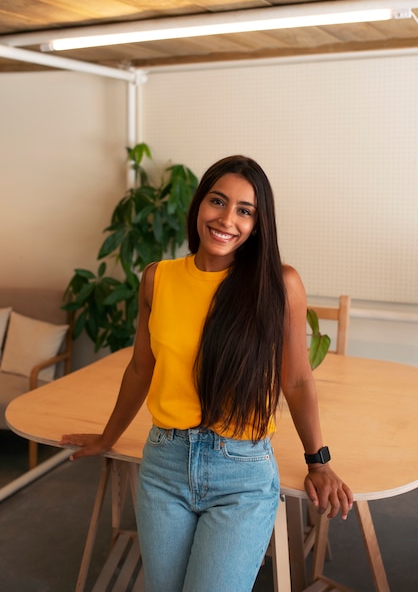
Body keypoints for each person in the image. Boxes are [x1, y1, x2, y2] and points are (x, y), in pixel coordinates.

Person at [61, 155, 353, 592]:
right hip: (164, 463)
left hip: (242, 472)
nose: (226, 219)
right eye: (218, 201)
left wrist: (318, 461)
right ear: (199, 205)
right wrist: (107, 437)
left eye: (244, 210)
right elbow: (142, 367)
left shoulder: (279, 284)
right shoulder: (157, 279)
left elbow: (295, 379)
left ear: (258, 224)